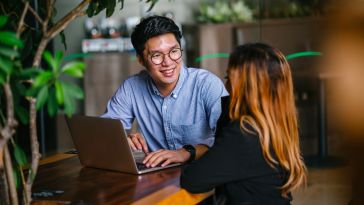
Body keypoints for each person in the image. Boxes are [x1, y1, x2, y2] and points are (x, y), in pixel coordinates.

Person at [180, 43, 307, 204]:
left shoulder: (244, 132)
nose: (226, 86)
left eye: (229, 79)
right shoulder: (279, 125)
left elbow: (192, 180)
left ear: (245, 86)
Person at [102, 15, 228, 167]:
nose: (168, 63)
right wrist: (120, 139)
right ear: (141, 60)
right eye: (156, 55)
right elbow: (102, 133)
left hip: (202, 177)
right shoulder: (131, 88)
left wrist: (185, 153)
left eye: (174, 51)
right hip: (157, 180)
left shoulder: (206, 84)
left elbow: (229, 140)